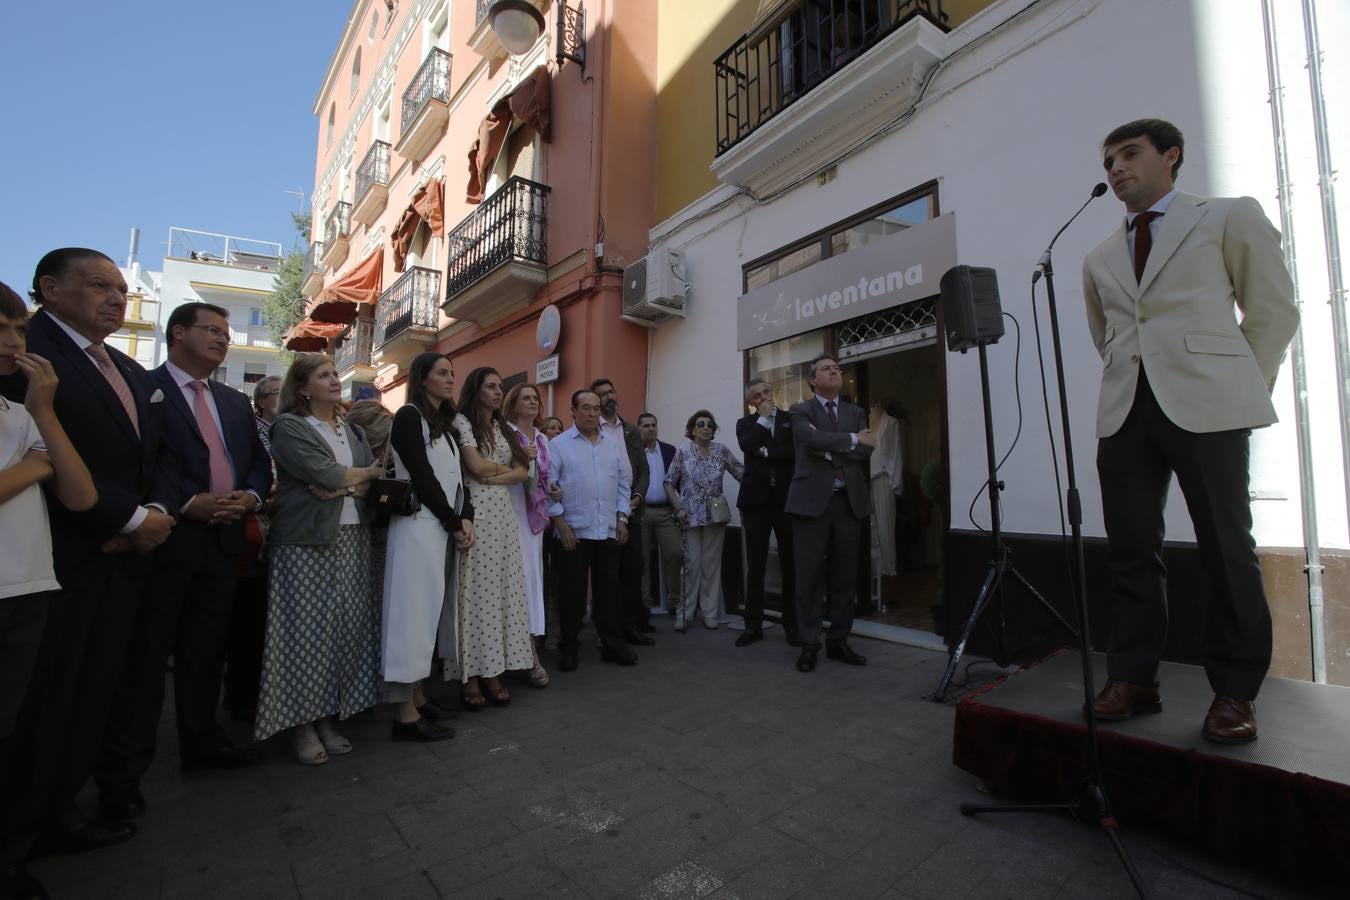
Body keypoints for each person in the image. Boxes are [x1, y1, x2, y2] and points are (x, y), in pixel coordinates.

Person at [1082, 119, 1299, 744]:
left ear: (1170, 156)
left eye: (1129, 154)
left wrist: (1238, 390)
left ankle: (1235, 692)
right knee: (1129, 552)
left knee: (1226, 548)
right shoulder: (1097, 256)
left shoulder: (1227, 216)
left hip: (1210, 407)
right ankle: (1134, 678)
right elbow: (1109, 337)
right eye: (1108, 161)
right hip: (1126, 412)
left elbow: (1273, 310)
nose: (1116, 168)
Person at [15, 249, 179, 857]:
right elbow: (41, 452)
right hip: (65, 556)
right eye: (99, 286)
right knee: (48, 698)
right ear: (50, 289)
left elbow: (157, 456)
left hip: (129, 553)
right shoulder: (27, 355)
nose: (116, 298)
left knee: (101, 689)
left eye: (121, 289)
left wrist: (156, 512)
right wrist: (128, 517)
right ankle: (29, 825)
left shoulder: (131, 372)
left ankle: (62, 807)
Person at [95, 302, 272, 822]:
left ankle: (203, 744)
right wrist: (182, 501)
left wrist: (252, 499)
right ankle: (123, 776)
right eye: (212, 330)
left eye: (226, 332)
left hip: (224, 542)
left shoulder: (235, 403)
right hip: (167, 541)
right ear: (178, 333)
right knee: (146, 660)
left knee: (205, 653)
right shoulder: (140, 390)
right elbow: (140, 462)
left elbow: (258, 464)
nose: (223, 339)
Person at [0, 283, 97, 900]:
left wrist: (42, 413)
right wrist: (32, 467)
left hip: (28, 585)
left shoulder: (19, 414)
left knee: (13, 732)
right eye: (2, 333)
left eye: (17, 332)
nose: (13, 344)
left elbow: (79, 491)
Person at [254, 353, 384, 765]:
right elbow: (325, 474)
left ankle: (328, 715)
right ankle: (302, 726)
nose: (333, 380)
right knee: (303, 635)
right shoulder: (290, 426)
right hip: (305, 542)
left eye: (334, 374)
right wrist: (347, 480)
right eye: (323, 375)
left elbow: (373, 474)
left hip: (352, 537)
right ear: (303, 387)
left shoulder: (350, 430)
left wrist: (346, 485)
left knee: (343, 631)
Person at [380, 353, 472, 741]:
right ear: (422, 378)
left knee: (429, 617)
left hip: (439, 529)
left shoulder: (444, 425)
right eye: (443, 373)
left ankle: (417, 697)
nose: (451, 379)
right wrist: (453, 520)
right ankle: (403, 715)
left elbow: (457, 480)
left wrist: (465, 515)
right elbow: (422, 475)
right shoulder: (408, 417)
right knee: (410, 618)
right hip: (418, 528)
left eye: (452, 373)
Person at [786, 354, 875, 673]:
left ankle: (839, 641)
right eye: (827, 369)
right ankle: (810, 643)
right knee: (808, 577)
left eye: (837, 368)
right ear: (813, 381)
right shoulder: (800, 410)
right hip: (811, 504)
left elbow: (868, 448)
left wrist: (828, 447)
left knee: (844, 576)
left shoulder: (856, 411)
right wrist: (850, 440)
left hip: (848, 503)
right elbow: (808, 439)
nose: (835, 371)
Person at [452, 367, 533, 709]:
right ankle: (470, 676)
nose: (499, 392)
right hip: (477, 517)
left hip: (502, 518)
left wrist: (493, 474)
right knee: (474, 597)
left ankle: (493, 671)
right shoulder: (462, 422)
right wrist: (502, 472)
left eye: (501, 387)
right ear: (475, 390)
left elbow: (523, 471)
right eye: (491, 386)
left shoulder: (502, 427)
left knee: (500, 594)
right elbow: (473, 465)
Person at [548, 389, 634, 670]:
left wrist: (622, 518)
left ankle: (612, 645)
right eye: (586, 408)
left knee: (609, 592)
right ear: (573, 411)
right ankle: (568, 647)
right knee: (571, 594)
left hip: (607, 529)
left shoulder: (612, 444)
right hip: (574, 532)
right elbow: (548, 488)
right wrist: (561, 523)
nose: (593, 413)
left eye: (596, 408)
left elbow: (623, 483)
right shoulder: (559, 445)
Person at [223, 375, 283, 723]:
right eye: (276, 393)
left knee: (264, 624)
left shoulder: (287, 429)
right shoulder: (254, 433)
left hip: (277, 533)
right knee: (247, 624)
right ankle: (242, 698)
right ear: (260, 402)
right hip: (253, 539)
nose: (283, 397)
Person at [665, 410, 744, 632]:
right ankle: (685, 613)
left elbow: (741, 472)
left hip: (716, 515)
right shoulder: (683, 451)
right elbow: (669, 482)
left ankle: (709, 613)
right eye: (701, 424)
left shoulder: (721, 451)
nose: (706, 427)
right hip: (688, 515)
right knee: (691, 565)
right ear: (692, 429)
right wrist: (678, 507)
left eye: (710, 424)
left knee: (711, 565)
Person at [736, 380, 798, 647]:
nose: (764, 398)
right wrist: (761, 423)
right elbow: (748, 447)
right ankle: (753, 626)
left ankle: (793, 626)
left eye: (766, 392)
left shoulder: (790, 420)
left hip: (786, 501)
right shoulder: (746, 424)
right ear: (752, 402)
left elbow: (795, 452)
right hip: (756, 503)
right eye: (757, 396)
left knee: (790, 566)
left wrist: (767, 451)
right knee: (756, 566)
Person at [592, 377, 654, 643]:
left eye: (611, 392)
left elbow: (642, 469)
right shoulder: (593, 430)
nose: (609, 397)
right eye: (603, 395)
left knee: (632, 571)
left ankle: (630, 627)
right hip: (605, 515)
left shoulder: (631, 430)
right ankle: (609, 630)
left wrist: (637, 497)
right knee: (608, 576)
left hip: (632, 513)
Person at [504, 382, 551, 687]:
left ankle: (530, 654)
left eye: (536, 398)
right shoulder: (506, 433)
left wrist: (551, 488)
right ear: (514, 404)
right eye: (526, 398)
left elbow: (545, 478)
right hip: (510, 517)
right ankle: (512, 655)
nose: (533, 402)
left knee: (533, 585)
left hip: (534, 521)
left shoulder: (544, 437)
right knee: (514, 584)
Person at [637, 413, 683, 621]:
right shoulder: (635, 451)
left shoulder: (669, 450)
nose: (651, 429)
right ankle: (644, 604)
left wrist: (679, 507)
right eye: (646, 425)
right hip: (641, 512)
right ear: (639, 429)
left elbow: (677, 480)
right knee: (642, 559)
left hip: (666, 511)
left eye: (654, 425)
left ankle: (675, 602)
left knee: (674, 553)